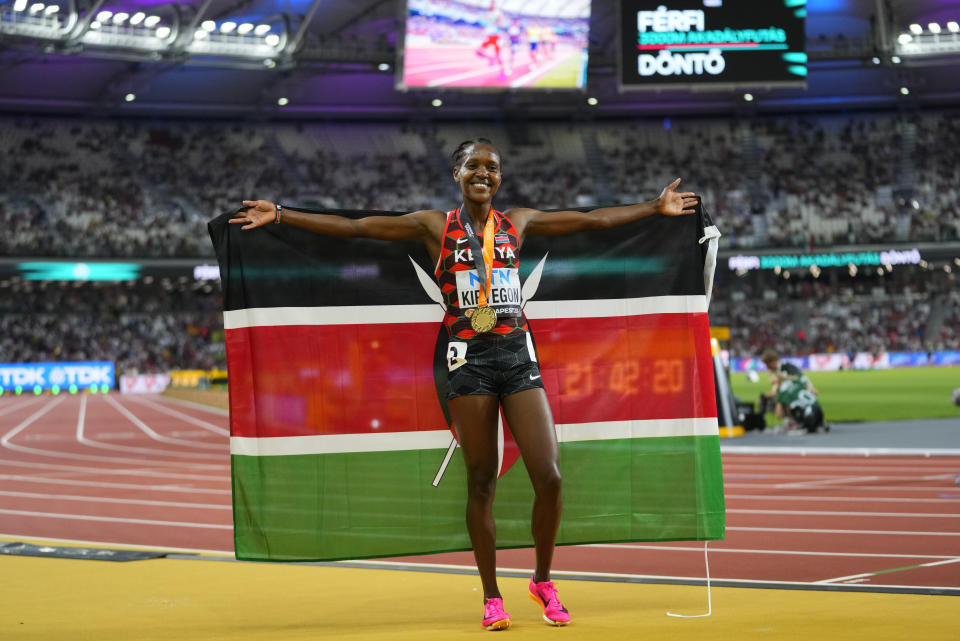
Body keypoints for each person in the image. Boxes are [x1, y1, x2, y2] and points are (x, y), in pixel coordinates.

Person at [230, 138, 698, 631]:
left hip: (518, 360)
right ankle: (492, 596)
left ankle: (542, 579)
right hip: (468, 364)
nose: (483, 173)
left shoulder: (519, 223)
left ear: (500, 177)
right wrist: (281, 214)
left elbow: (594, 221)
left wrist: (654, 207)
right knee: (481, 480)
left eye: (492, 167)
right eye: (473, 165)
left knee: (551, 476)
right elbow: (356, 227)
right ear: (457, 173)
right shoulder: (435, 226)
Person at [760, 348, 827, 433]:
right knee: (785, 398)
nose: (767, 367)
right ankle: (813, 421)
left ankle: (793, 421)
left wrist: (810, 387)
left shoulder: (785, 369)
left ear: (773, 361)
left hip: (798, 391)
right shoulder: (778, 371)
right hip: (800, 391)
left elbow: (800, 378)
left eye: (767, 364)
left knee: (784, 400)